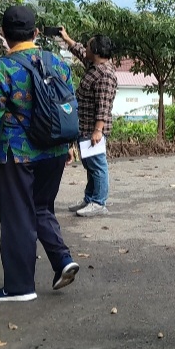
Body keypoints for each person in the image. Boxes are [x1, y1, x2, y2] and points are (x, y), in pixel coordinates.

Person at [0, 5, 80, 303]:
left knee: (18, 216)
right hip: (55, 149)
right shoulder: (57, 62)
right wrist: (69, 145)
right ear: (36, 32)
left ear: (3, 34)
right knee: (41, 208)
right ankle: (63, 260)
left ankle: (20, 287)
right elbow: (66, 105)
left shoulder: (2, 68)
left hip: (19, 155)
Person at [56, 29, 117, 217]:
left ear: (97, 52)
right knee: (90, 164)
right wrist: (66, 39)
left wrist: (98, 131)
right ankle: (90, 198)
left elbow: (104, 106)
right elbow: (80, 51)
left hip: (93, 128)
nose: (85, 48)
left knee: (97, 165)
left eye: (89, 46)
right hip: (85, 126)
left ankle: (99, 202)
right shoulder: (94, 65)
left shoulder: (105, 75)